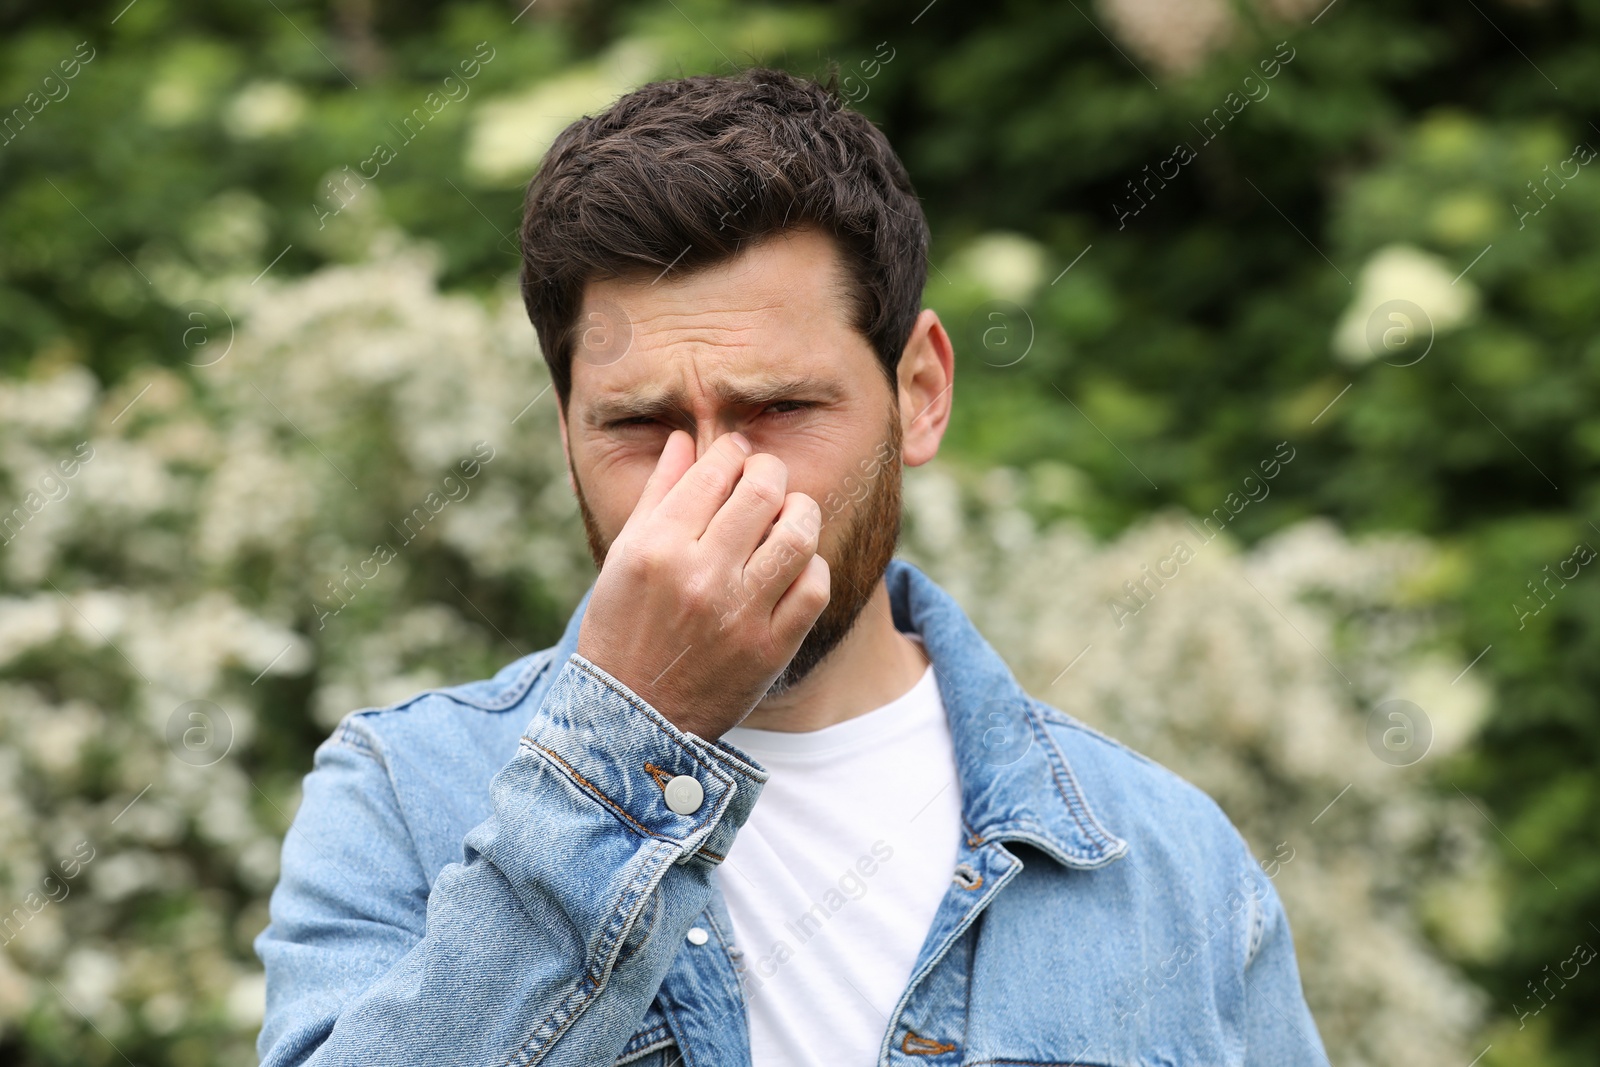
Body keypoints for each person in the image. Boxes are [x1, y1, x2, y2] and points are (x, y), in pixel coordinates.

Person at [255, 67, 1328, 1066]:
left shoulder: (1168, 862)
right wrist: (630, 742)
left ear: (919, 391)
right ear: (565, 429)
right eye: (639, 424)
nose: (718, 481)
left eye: (779, 409)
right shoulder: (404, 795)